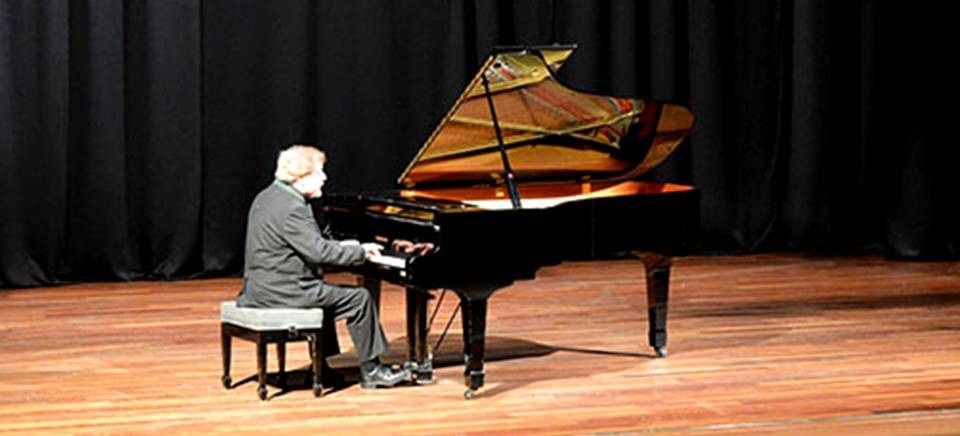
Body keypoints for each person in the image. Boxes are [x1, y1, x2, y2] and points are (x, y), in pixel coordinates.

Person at [236, 144, 409, 389]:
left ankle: (321, 369)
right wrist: (360, 251)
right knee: (359, 299)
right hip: (285, 292)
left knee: (327, 293)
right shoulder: (292, 208)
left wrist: (345, 246)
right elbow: (319, 253)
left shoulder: (268, 196)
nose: (325, 178)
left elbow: (306, 244)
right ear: (301, 176)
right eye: (320, 173)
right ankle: (373, 371)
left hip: (260, 289)